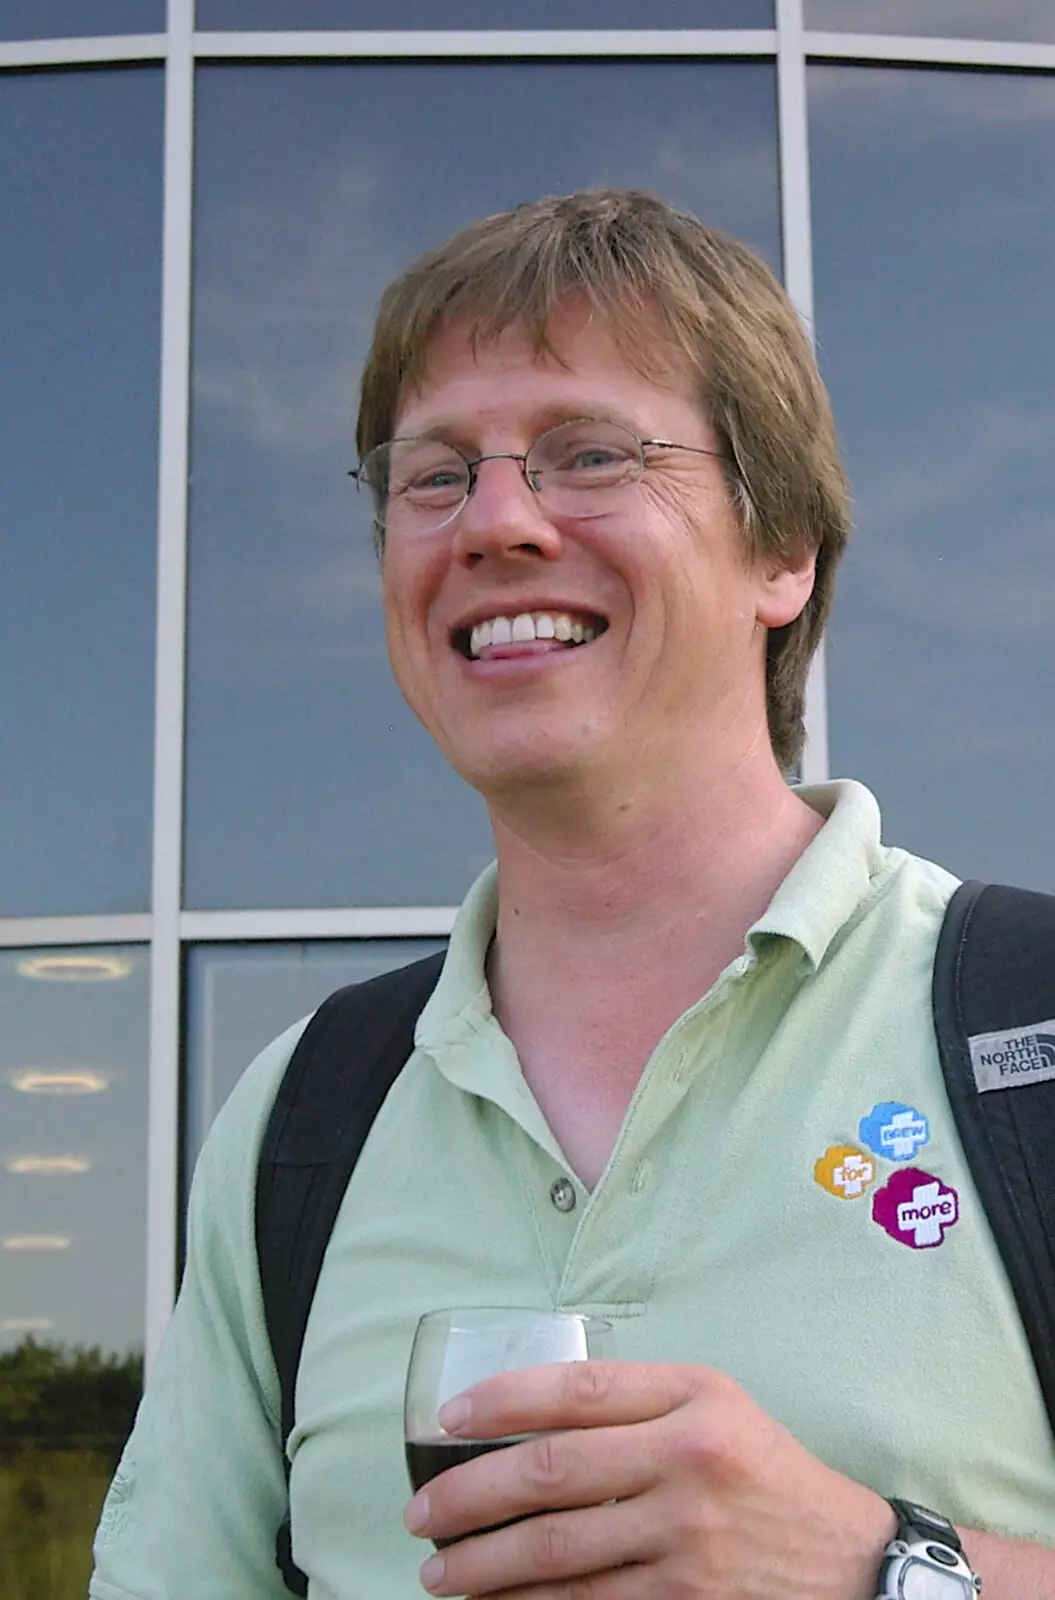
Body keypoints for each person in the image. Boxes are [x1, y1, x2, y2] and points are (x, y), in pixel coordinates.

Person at [91, 188, 1055, 1600]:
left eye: (588, 453)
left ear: (780, 549)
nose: (494, 520)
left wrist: (887, 1569)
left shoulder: (1023, 1031)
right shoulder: (307, 1114)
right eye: (432, 475)